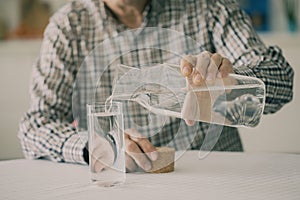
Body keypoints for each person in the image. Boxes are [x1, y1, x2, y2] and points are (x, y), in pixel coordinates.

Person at [18, 0, 294, 172]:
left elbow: (282, 80)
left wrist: (230, 78)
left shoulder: (208, 7)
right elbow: (35, 126)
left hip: (216, 180)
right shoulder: (69, 26)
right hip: (123, 187)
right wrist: (97, 146)